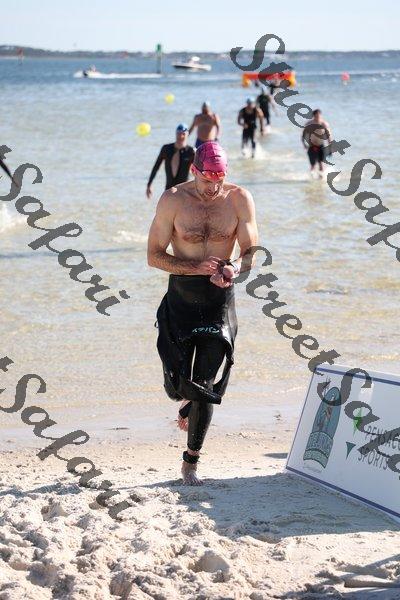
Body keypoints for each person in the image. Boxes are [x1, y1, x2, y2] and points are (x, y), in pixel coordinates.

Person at [147, 141, 258, 485]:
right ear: (194, 171)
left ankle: (191, 460)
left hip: (218, 302)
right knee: (176, 385)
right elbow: (154, 255)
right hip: (181, 299)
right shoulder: (173, 200)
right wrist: (194, 267)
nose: (214, 187)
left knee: (204, 383)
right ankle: (185, 400)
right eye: (208, 180)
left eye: (219, 180)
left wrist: (234, 267)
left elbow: (251, 251)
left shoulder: (239, 199)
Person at [146, 124, 195, 199]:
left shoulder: (191, 152)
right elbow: (156, 167)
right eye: (178, 133)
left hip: (184, 191)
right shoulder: (166, 149)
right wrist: (149, 185)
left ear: (187, 134)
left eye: (183, 134)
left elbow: (198, 172)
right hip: (168, 190)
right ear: (176, 134)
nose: (180, 136)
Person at [302, 109, 332, 177]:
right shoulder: (309, 124)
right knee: (313, 165)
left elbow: (329, 136)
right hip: (311, 146)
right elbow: (303, 135)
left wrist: (330, 147)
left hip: (321, 146)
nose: (318, 117)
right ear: (313, 116)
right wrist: (304, 144)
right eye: (316, 116)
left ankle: (321, 179)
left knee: (321, 164)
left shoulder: (324, 124)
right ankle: (311, 179)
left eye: (319, 116)